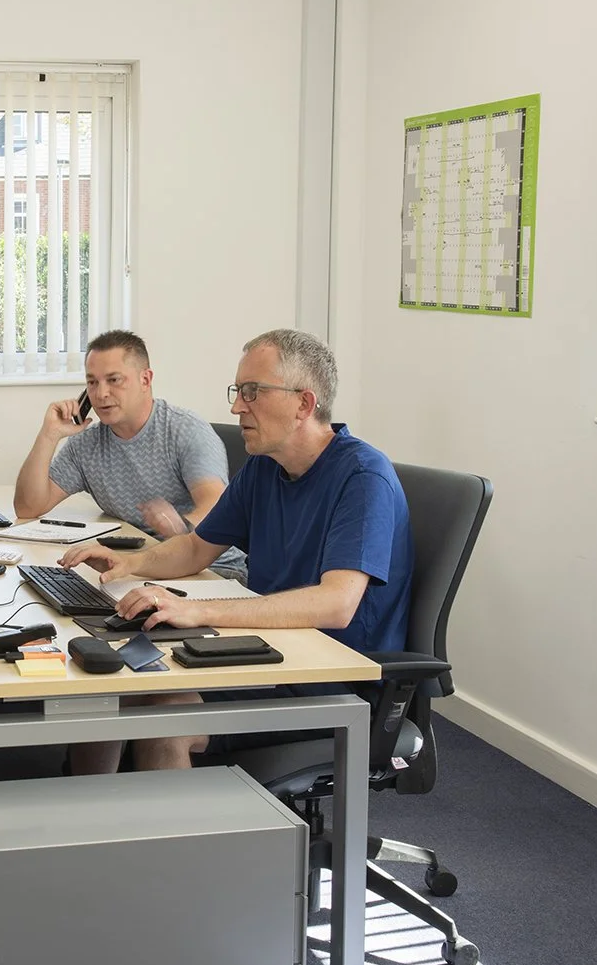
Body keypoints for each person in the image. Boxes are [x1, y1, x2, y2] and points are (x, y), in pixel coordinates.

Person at [57, 328, 412, 774]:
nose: (236, 406)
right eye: (238, 391)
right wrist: (130, 563)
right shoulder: (265, 467)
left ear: (304, 404)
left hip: (331, 675)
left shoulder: (362, 477)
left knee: (166, 713)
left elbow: (336, 604)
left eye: (252, 392)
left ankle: (176, 845)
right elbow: (195, 548)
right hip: (270, 652)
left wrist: (198, 612)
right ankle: (95, 824)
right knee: (113, 677)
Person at [13, 329, 232, 546]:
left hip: (210, 566)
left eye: (114, 380)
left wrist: (180, 527)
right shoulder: (85, 445)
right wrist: (49, 435)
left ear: (145, 380)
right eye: (92, 382)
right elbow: (28, 508)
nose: (101, 394)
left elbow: (215, 506)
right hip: (144, 559)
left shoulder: (185, 430)